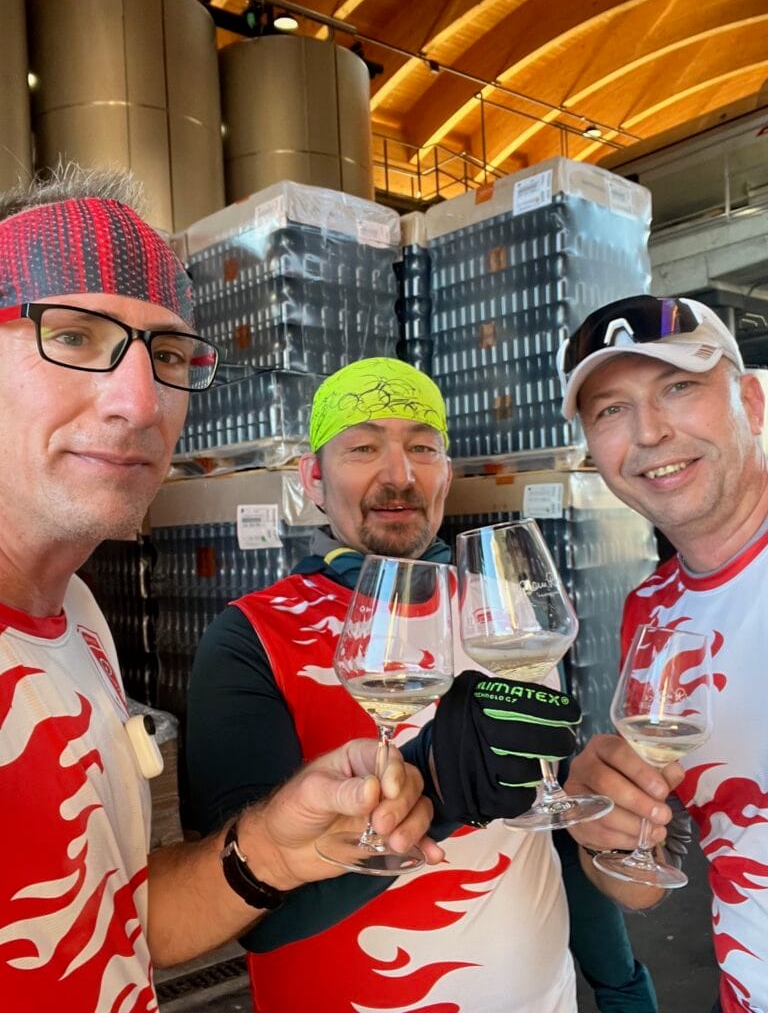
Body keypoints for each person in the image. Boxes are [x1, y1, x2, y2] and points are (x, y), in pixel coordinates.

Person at [0, 167, 441, 1012]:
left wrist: (272, 847)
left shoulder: (77, 615)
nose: (140, 402)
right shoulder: (248, 631)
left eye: (167, 354)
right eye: (76, 337)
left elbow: (115, 923)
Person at [186, 356, 654, 1013]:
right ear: (313, 478)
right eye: (363, 447)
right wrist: (436, 786)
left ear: (446, 473)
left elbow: (553, 829)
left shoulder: (510, 616)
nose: (400, 475)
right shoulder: (252, 635)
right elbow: (247, 916)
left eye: (423, 448)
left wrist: (621, 984)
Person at [557, 295, 768, 1013]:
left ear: (750, 402)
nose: (649, 432)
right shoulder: (653, 611)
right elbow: (648, 885)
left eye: (679, 386)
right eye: (611, 410)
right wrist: (606, 835)